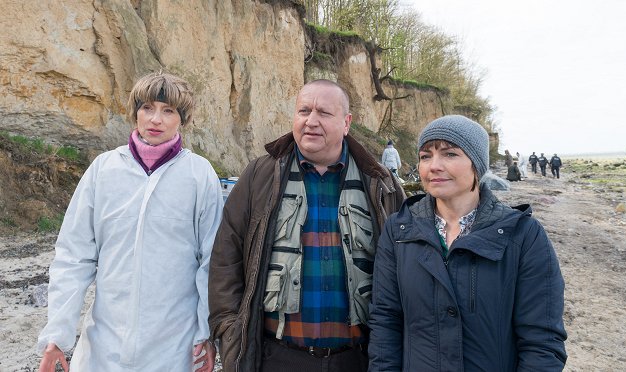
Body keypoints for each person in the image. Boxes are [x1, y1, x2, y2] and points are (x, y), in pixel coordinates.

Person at [208, 79, 406, 372]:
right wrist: (229, 331)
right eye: (303, 111)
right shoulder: (259, 176)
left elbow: (406, 270)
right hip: (276, 358)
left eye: (324, 113)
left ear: (346, 122)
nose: (311, 121)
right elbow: (226, 259)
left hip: (358, 360)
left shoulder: (381, 184)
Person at [37, 72, 222, 371]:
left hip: (173, 346)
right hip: (104, 344)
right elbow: (74, 256)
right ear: (135, 112)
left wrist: (206, 333)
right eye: (147, 108)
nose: (156, 120)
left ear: (182, 119)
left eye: (168, 111)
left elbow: (212, 262)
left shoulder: (199, 175)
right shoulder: (104, 169)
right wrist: (57, 335)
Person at [368, 115, 567, 371]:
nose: (433, 166)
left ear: (477, 165)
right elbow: (385, 321)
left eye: (450, 154)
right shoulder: (399, 231)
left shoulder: (523, 236)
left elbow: (542, 341)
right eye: (425, 156)